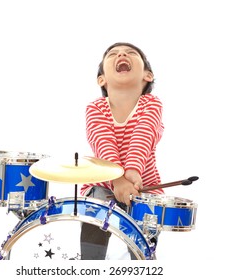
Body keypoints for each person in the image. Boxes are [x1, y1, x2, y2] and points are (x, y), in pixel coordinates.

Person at [80, 42, 165, 260]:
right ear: (102, 80)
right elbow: (103, 142)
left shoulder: (152, 104)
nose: (122, 54)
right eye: (113, 54)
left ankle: (144, 264)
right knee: (95, 207)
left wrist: (133, 174)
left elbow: (143, 136)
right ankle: (90, 264)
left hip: (144, 185)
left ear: (148, 75)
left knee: (144, 241)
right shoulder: (96, 108)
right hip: (103, 183)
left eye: (130, 53)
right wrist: (117, 179)